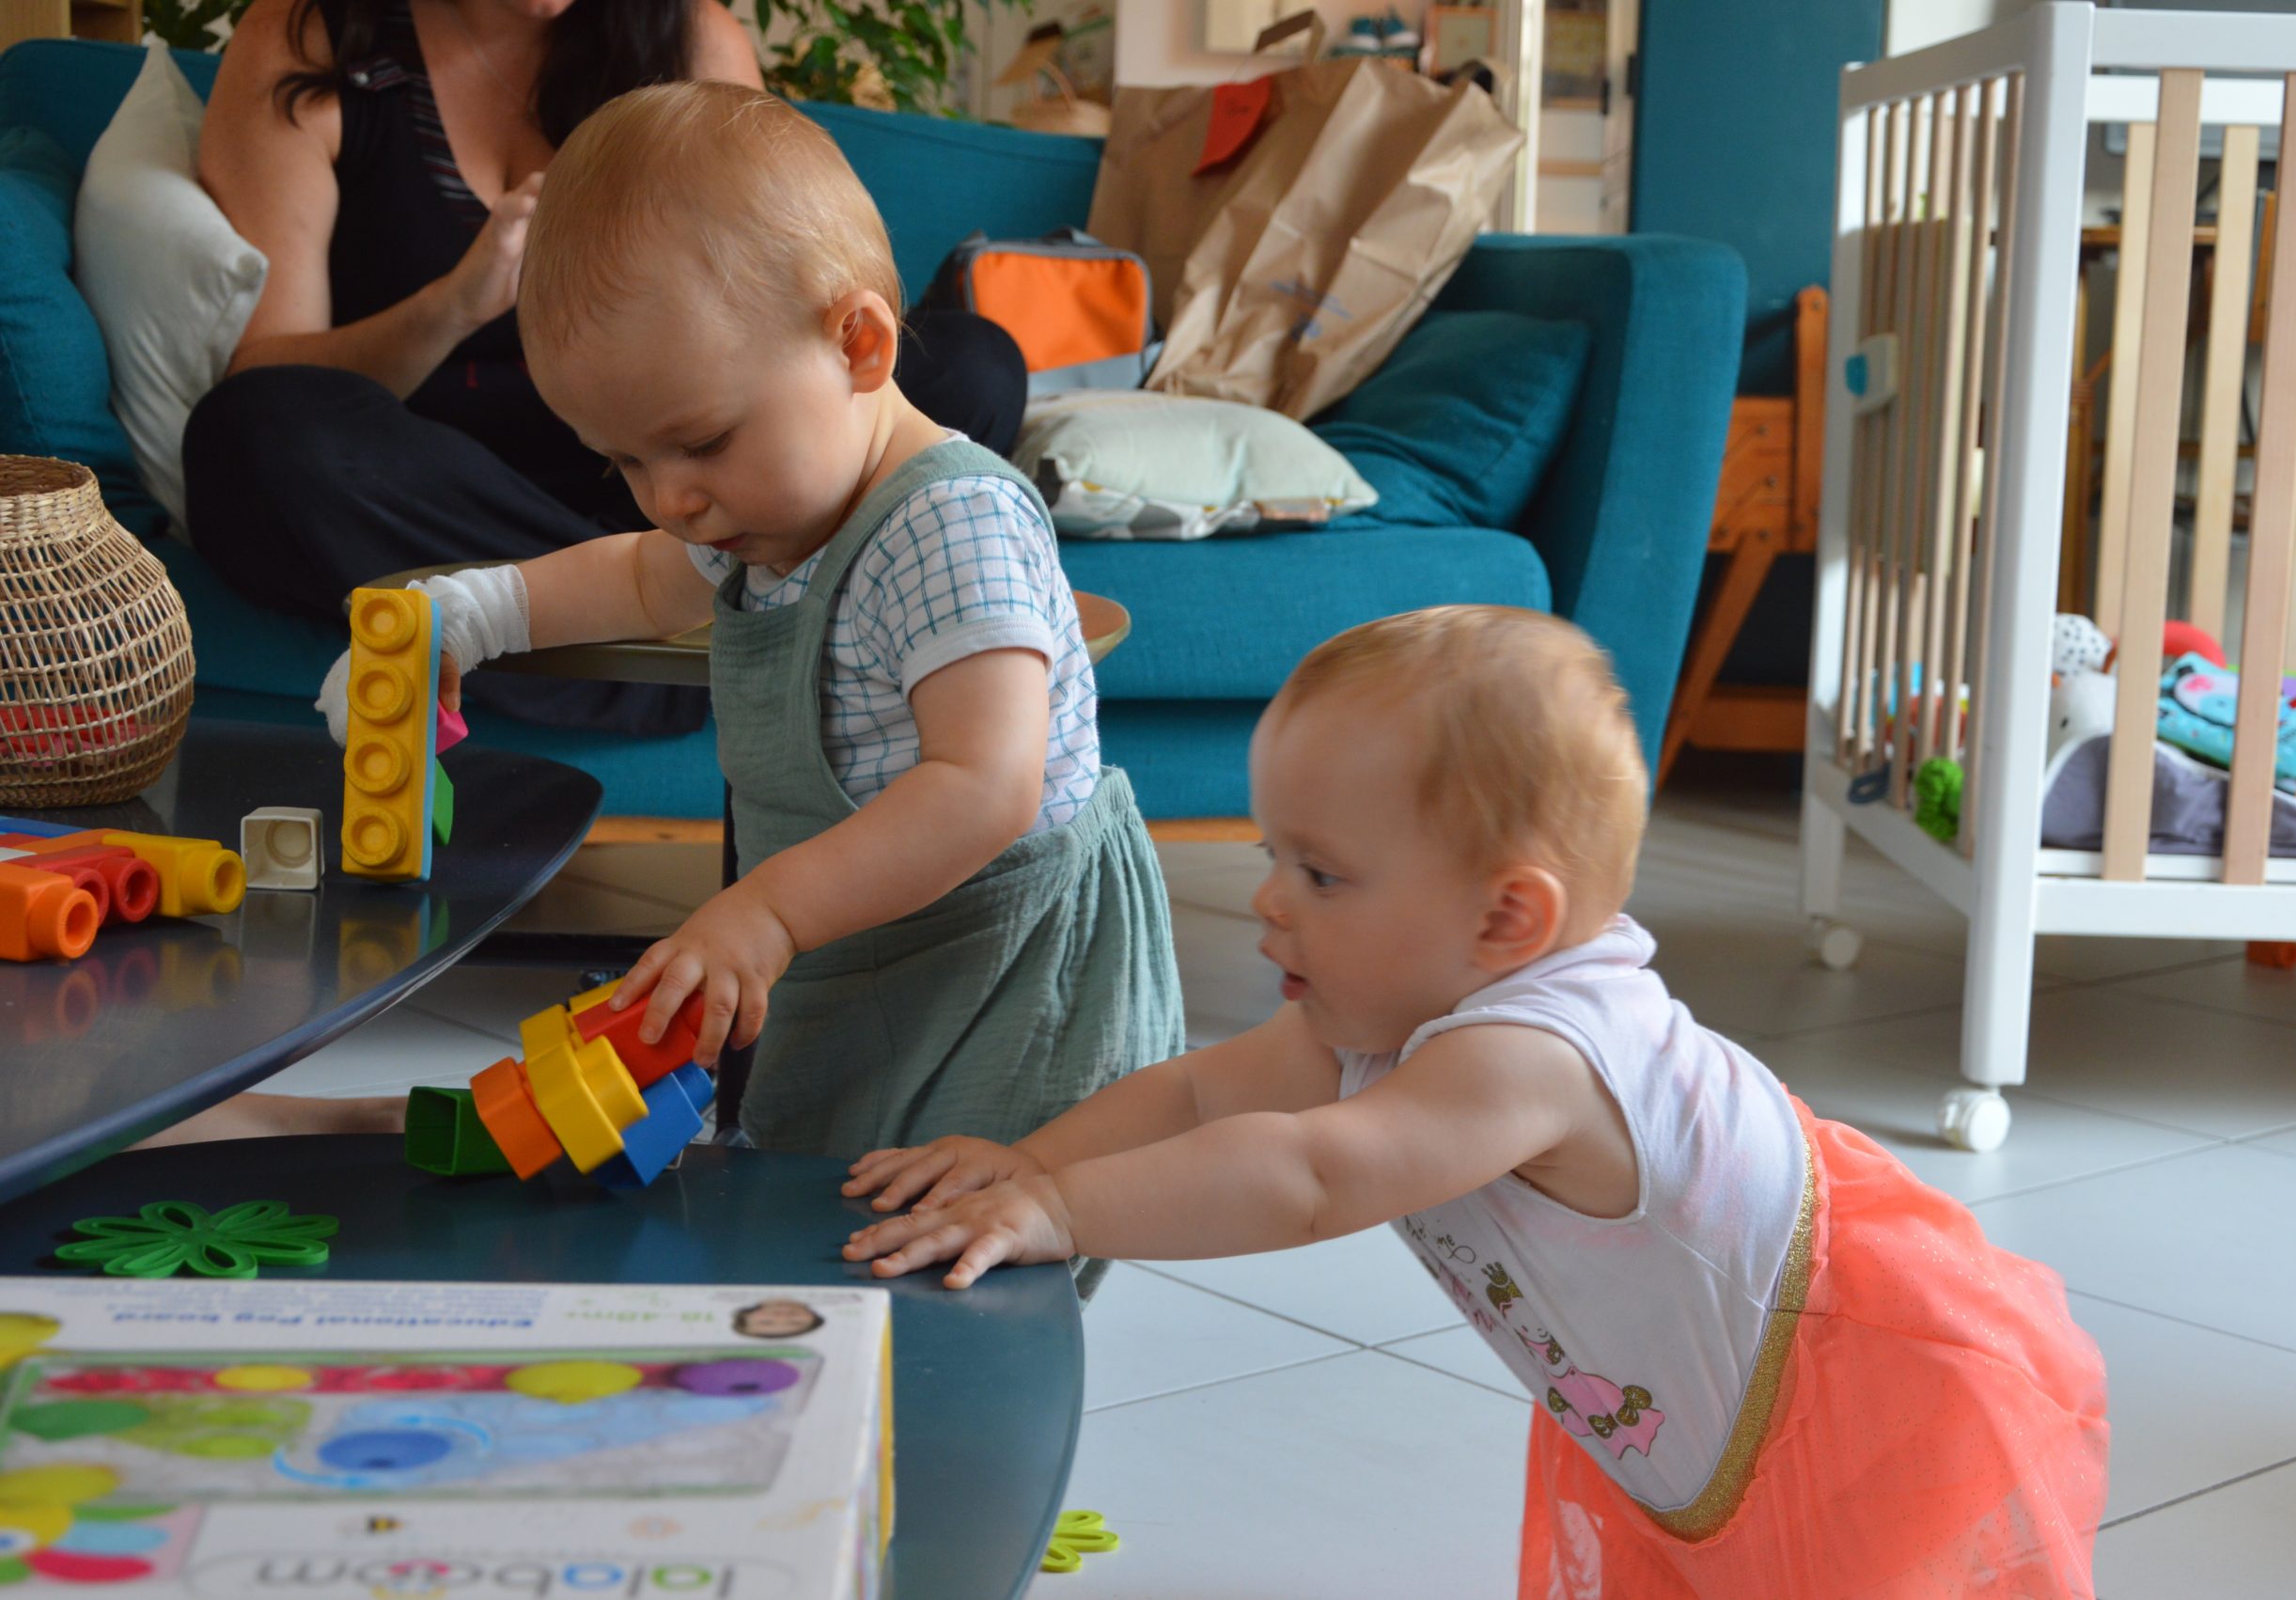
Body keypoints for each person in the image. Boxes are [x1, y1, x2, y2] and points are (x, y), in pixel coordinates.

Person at [838, 607, 2113, 1598]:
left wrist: (1064, 1211)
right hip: (1689, 1392)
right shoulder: (1382, 1010)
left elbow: (1309, 1177)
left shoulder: (1537, 1055)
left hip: (1858, 1377)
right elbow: (1197, 1090)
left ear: (1507, 917)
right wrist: (1026, 1164)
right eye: (1273, 854)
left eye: (1321, 873)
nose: (1269, 899)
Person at [315, 84, 1182, 1234]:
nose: (670, 498)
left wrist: (766, 914)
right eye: (627, 462)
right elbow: (639, 577)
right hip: (873, 958)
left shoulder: (949, 522)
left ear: (858, 345)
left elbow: (986, 785)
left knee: (967, 1226)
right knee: (833, 1203)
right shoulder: (768, 513)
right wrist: (469, 612)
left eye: (703, 441)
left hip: (1006, 982)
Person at [188, 0, 1025, 735]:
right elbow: (269, 369)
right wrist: (454, 305)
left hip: (701, 494)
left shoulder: (688, 36)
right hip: (446, 481)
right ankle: (711, 623)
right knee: (252, 433)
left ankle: (658, 601)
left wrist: (700, 456)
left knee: (971, 366)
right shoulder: (313, 38)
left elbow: (785, 317)